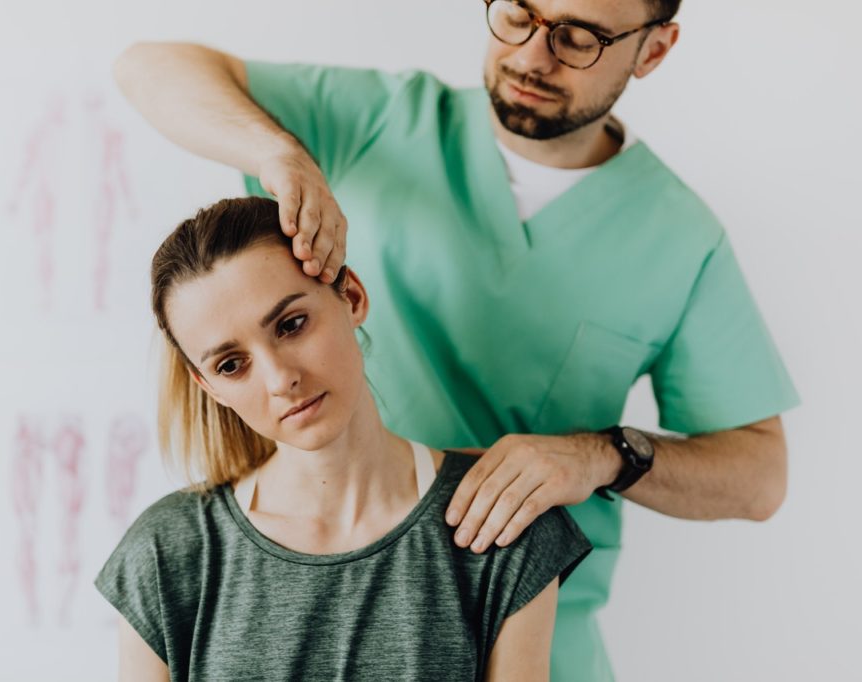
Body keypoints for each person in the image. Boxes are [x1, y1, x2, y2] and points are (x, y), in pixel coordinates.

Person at [112, 0, 799, 678]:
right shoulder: (377, 122)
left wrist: (599, 457)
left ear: (654, 48)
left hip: (532, 626)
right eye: (517, 14)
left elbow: (759, 479)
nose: (532, 54)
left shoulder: (679, 238)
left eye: (579, 37)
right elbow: (148, 66)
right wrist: (278, 153)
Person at [94, 196, 592, 681]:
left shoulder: (503, 523)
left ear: (351, 296)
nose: (278, 379)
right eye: (231, 365)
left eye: (291, 325)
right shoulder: (166, 553)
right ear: (209, 387)